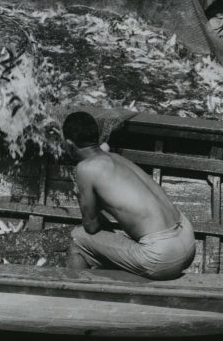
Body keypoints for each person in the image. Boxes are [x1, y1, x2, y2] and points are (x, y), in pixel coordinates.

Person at [62, 111, 196, 280]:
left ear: (69, 143)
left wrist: (85, 200)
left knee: (78, 239)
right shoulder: (113, 156)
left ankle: (77, 298)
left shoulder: (85, 168)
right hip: (188, 239)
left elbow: (91, 227)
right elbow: (103, 148)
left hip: (162, 256)